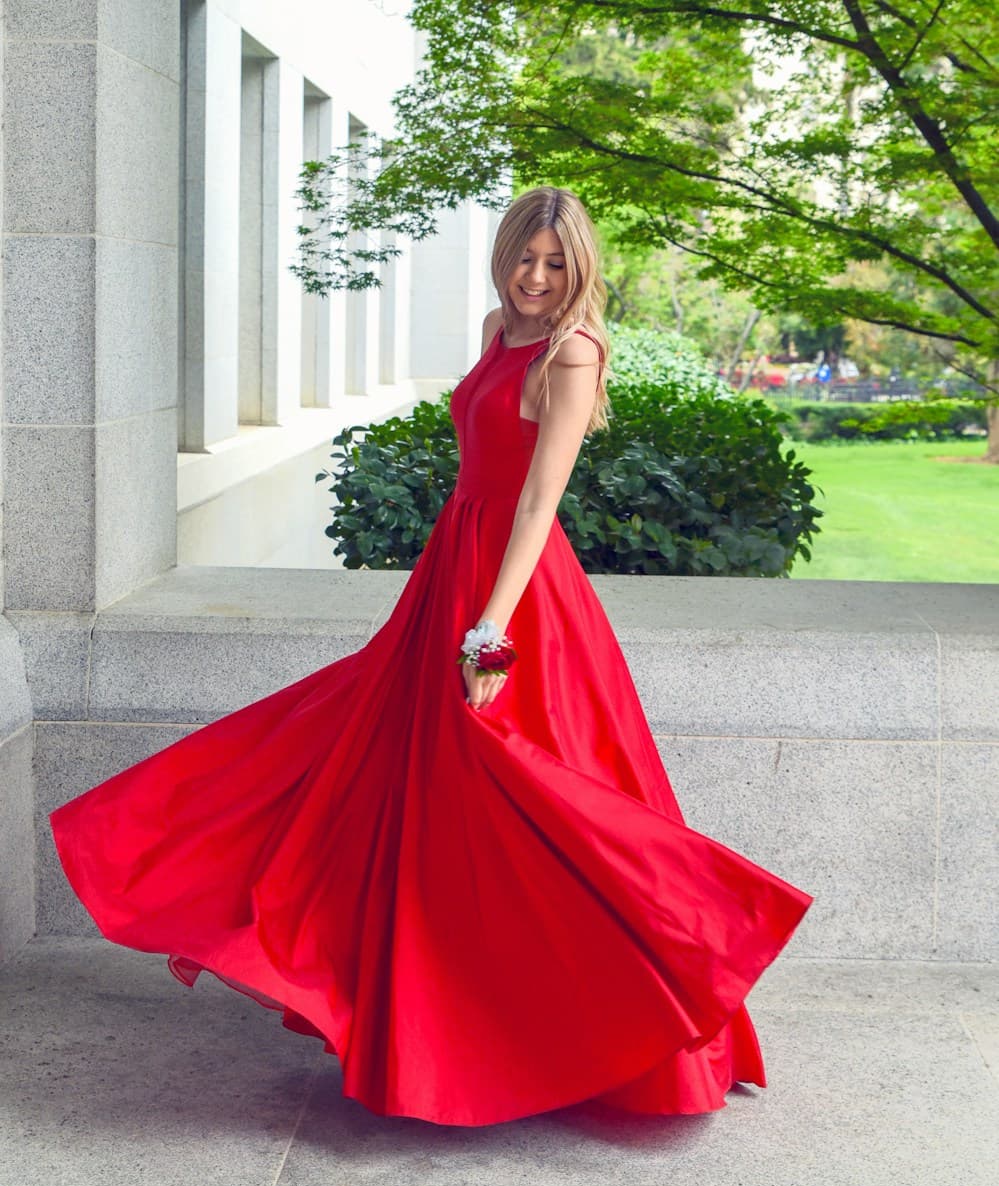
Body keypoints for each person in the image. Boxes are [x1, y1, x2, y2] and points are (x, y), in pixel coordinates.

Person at [50, 186, 813, 1128]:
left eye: (555, 264)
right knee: (392, 780)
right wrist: (451, 596)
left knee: (547, 808)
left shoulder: (572, 351)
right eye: (523, 259)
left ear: (580, 269)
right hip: (454, 567)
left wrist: (489, 631)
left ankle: (643, 1023)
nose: (535, 279)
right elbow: (479, 471)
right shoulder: (501, 327)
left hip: (512, 594)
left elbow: (538, 504)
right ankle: (431, 1014)